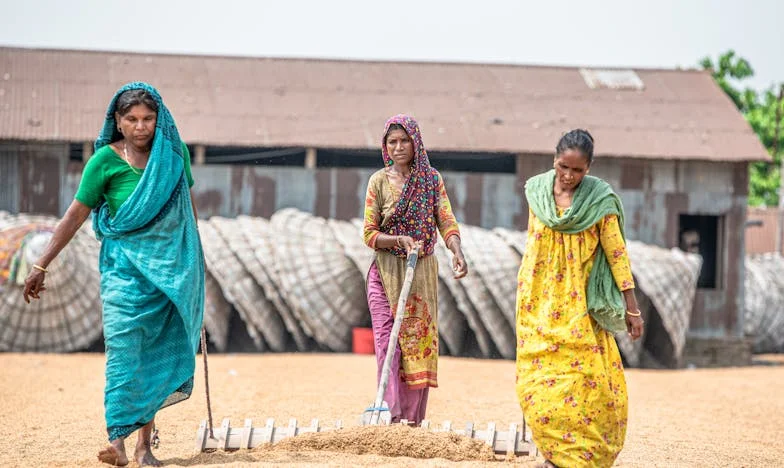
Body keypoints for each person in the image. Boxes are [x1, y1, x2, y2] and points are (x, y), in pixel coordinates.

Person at [23, 82, 204, 467]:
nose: (141, 127)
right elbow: (75, 214)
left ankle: (144, 447)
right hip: (122, 272)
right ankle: (117, 442)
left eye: (148, 118)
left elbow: (187, 211)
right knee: (123, 350)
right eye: (132, 119)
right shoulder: (104, 161)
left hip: (167, 274)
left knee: (154, 353)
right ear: (117, 122)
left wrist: (195, 265)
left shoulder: (173, 155)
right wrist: (41, 263)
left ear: (159, 120)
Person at [515, 129, 644, 467]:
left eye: (578, 170)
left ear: (589, 168)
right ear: (554, 160)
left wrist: (632, 309)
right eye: (563, 167)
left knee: (586, 383)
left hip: (580, 307)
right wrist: (525, 292)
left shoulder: (600, 201)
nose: (569, 176)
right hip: (538, 302)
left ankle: (581, 457)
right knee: (537, 382)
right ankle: (554, 453)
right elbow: (532, 246)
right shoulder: (536, 192)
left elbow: (617, 254)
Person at [362, 114, 468, 425]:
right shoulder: (378, 182)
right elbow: (369, 234)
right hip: (384, 273)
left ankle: (410, 420)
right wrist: (397, 239)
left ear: (416, 143)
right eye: (391, 142)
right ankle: (390, 413)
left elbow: (445, 219)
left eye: (404, 141)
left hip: (420, 274)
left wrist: (456, 250)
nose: (398, 147)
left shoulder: (431, 180)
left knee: (415, 345)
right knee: (387, 341)